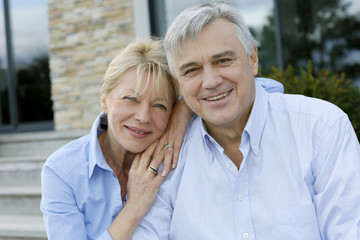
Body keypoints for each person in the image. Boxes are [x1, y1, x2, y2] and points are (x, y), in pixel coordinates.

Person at [132, 2, 360, 240]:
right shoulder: (166, 163)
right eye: (191, 70)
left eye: (223, 61)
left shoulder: (321, 129)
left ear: (253, 59)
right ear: (179, 82)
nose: (210, 81)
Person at [40, 38, 185, 240]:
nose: (143, 117)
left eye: (159, 106)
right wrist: (134, 206)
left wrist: (184, 112)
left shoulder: (173, 159)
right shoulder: (62, 171)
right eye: (131, 99)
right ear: (104, 100)